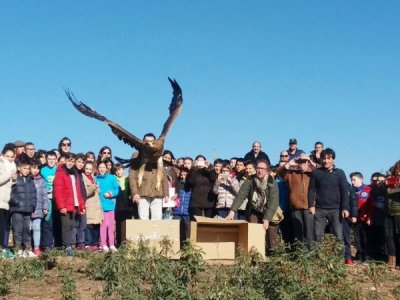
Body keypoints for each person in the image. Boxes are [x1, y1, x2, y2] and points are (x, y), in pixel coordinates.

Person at [227, 159, 280, 252]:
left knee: (271, 231)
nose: (260, 170)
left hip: (269, 210)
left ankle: (275, 255)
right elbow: (240, 196)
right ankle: (254, 254)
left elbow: (273, 202)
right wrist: (232, 211)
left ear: (267, 170)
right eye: (258, 168)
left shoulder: (272, 182)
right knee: (253, 228)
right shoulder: (250, 180)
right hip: (254, 209)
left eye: (262, 168)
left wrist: (266, 219)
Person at [308, 148, 349, 249]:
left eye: (328, 158)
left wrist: (345, 208)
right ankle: (319, 259)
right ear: (321, 159)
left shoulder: (339, 173)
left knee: (338, 236)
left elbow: (344, 191)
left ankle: (339, 261)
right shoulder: (316, 173)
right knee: (318, 236)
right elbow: (311, 190)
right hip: (320, 209)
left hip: (336, 210)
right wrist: (311, 206)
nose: (326, 161)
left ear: (333, 159)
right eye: (324, 158)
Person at [129, 133, 168, 221]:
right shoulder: (136, 155)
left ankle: (156, 235)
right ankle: (144, 235)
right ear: (143, 142)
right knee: (143, 220)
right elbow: (132, 175)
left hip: (157, 192)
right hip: (142, 192)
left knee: (157, 220)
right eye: (146, 141)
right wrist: (134, 193)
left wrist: (166, 194)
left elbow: (164, 176)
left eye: (151, 141)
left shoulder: (159, 154)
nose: (149, 143)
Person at [279, 154, 314, 249]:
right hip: (295, 206)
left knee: (309, 232)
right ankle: (301, 253)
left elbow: (322, 171)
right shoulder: (291, 173)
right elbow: (280, 172)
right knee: (298, 232)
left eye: (304, 161)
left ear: (307, 162)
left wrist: (311, 162)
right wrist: (289, 163)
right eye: (300, 162)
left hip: (308, 206)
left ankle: (311, 253)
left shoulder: (312, 172)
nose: (302, 164)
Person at [53, 153, 86, 256]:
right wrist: (61, 206)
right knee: (66, 226)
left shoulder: (75, 174)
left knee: (72, 226)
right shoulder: (60, 173)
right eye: (68, 161)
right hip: (66, 205)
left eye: (72, 161)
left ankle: (68, 245)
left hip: (75, 204)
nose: (70, 163)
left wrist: (82, 205)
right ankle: (66, 246)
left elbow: (78, 192)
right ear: (64, 161)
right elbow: (58, 191)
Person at [9, 157, 37, 257]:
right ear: (19, 168)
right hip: (17, 209)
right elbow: (11, 193)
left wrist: (33, 205)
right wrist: (15, 202)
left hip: (28, 209)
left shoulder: (30, 180)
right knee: (17, 229)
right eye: (25, 168)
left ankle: (27, 249)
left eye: (28, 169)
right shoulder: (15, 179)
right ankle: (18, 249)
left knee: (27, 229)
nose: (27, 171)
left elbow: (34, 194)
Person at [350, 172, 375, 262]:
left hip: (365, 219)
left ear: (361, 179)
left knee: (366, 238)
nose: (352, 182)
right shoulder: (351, 190)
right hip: (355, 218)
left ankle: (367, 256)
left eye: (354, 180)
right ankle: (359, 256)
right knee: (357, 238)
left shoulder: (368, 190)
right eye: (351, 180)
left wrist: (369, 217)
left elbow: (372, 205)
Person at [96, 161, 120, 252]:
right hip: (100, 207)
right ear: (98, 168)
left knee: (110, 226)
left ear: (107, 168)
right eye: (100, 167)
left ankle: (112, 244)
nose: (101, 169)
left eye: (103, 167)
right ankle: (103, 244)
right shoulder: (95, 178)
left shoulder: (112, 178)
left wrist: (111, 193)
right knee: (102, 226)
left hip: (110, 206)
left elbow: (117, 190)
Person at [0, 145, 17, 258]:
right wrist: (9, 174)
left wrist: (14, 180)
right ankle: (2, 248)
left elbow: (8, 186)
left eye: (12, 156)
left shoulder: (12, 166)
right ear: (2, 155)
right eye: (7, 156)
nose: (10, 158)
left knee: (4, 227)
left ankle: (3, 248)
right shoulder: (1, 165)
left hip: (6, 202)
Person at [82, 161, 102, 250]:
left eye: (90, 169)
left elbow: (96, 191)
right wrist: (94, 187)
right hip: (89, 205)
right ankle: (88, 244)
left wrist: (97, 189)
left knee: (96, 225)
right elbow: (85, 192)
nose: (88, 171)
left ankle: (95, 243)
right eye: (87, 168)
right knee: (89, 225)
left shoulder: (93, 178)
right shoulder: (82, 178)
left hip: (96, 206)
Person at [187, 155, 214, 219]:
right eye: (199, 161)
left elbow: (213, 179)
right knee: (196, 221)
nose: (200, 163)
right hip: (196, 200)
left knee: (209, 221)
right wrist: (193, 168)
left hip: (208, 199)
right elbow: (190, 182)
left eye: (202, 161)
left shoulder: (209, 170)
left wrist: (209, 168)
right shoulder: (193, 171)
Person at [30, 160, 49, 256]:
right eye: (33, 168)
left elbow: (44, 195)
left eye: (37, 168)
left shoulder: (42, 181)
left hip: (38, 209)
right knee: (28, 228)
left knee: (37, 228)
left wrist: (45, 207)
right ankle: (27, 246)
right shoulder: (27, 179)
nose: (35, 170)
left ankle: (36, 247)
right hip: (27, 209)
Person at [40, 150, 58, 250]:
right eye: (49, 159)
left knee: (56, 222)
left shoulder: (59, 170)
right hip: (46, 199)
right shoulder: (43, 170)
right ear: (46, 160)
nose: (51, 161)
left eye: (53, 159)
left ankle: (56, 244)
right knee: (47, 222)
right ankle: (47, 245)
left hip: (56, 199)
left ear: (56, 160)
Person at [385, 160, 400, 269]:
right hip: (388, 211)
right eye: (398, 169)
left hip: (399, 211)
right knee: (389, 235)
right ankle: (391, 260)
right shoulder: (391, 180)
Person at [114, 163, 133, 246]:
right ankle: (118, 243)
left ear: (123, 169)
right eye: (116, 170)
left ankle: (126, 243)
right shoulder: (113, 179)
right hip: (117, 207)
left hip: (127, 206)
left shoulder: (128, 179)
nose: (118, 172)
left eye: (119, 169)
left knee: (127, 226)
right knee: (118, 226)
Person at [369, 172, 386, 260]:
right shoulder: (372, 190)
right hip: (375, 217)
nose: (377, 182)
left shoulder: (387, 190)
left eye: (380, 181)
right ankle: (376, 255)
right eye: (375, 180)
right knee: (376, 238)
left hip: (386, 218)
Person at [173, 167, 192, 243]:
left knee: (188, 231)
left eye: (185, 174)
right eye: (182, 174)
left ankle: (187, 248)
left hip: (187, 213)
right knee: (175, 230)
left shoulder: (191, 186)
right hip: (177, 211)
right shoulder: (177, 185)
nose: (183, 176)